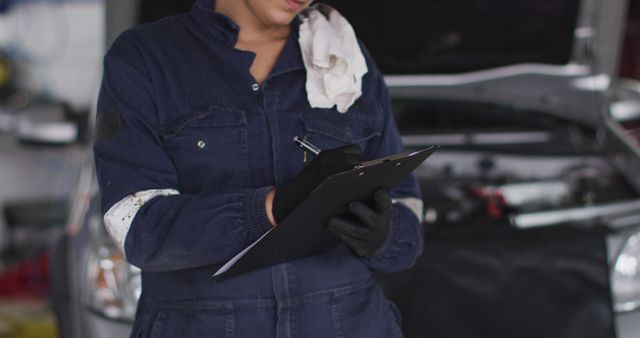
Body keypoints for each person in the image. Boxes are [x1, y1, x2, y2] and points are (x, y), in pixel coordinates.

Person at [93, 0, 424, 337]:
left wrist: (384, 235)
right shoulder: (146, 59)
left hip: (349, 320)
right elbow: (139, 231)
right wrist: (272, 206)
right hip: (199, 323)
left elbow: (408, 220)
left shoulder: (343, 58)